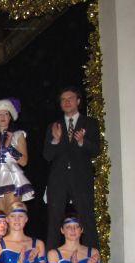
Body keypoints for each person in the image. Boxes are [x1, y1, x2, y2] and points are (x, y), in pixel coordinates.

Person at [43, 86, 101, 250]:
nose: (67, 102)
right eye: (63, 99)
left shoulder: (90, 123)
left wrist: (82, 142)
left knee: (87, 219)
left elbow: (96, 150)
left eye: (70, 98)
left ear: (78, 101)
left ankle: (93, 260)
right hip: (58, 180)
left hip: (81, 178)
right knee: (54, 221)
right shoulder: (54, 126)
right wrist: (55, 140)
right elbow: (47, 155)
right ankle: (51, 260)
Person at [0, 98, 33, 213]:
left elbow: (24, 162)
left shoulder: (18, 135)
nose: (3, 117)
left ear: (10, 117)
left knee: (12, 214)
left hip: (12, 177)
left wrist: (9, 147)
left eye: (6, 114)